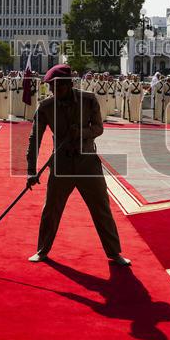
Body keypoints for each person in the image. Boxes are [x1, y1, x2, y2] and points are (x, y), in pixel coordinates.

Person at [26, 64, 131, 266]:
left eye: (58, 87)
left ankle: (114, 252)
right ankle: (42, 250)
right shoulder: (46, 106)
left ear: (69, 84)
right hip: (61, 164)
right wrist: (31, 171)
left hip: (87, 163)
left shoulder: (89, 100)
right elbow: (34, 138)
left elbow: (99, 128)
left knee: (101, 208)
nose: (54, 91)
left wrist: (81, 132)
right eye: (51, 87)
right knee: (51, 210)